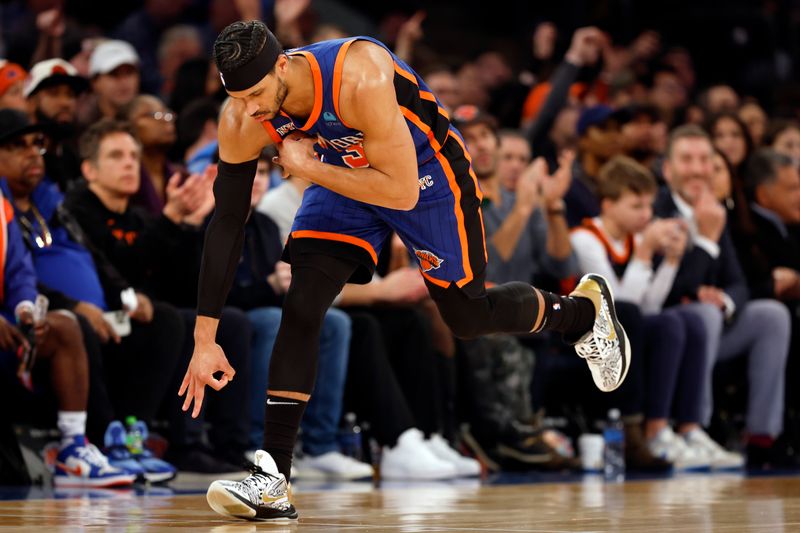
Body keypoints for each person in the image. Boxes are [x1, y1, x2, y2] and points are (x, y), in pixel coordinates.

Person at [183, 21, 629, 521]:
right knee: (304, 300)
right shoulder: (242, 117)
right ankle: (273, 479)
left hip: (423, 172)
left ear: (282, 64)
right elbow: (226, 224)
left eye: (258, 94)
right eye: (238, 97)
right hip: (342, 173)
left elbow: (401, 192)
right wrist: (205, 338)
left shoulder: (358, 74)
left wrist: (307, 169)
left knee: (466, 316)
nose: (250, 110)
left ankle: (582, 316)